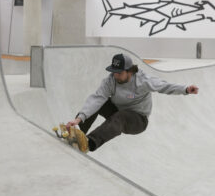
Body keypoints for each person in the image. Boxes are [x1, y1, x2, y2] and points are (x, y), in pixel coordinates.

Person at [67, 53, 198, 152]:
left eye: (119, 73)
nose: (115, 76)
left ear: (130, 71)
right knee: (101, 103)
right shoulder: (110, 80)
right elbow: (97, 98)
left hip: (138, 120)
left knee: (121, 116)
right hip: (117, 111)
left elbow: (164, 86)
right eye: (114, 72)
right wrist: (79, 119)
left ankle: (89, 143)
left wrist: (185, 89)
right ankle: (76, 133)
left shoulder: (143, 80)